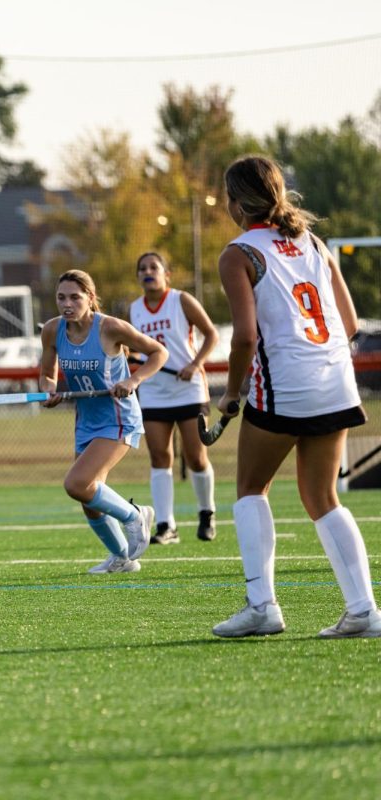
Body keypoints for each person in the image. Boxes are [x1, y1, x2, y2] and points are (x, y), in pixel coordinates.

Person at [211, 154, 379, 638]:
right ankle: (363, 610)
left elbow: (244, 338)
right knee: (323, 497)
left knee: (250, 489)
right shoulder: (313, 241)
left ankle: (262, 606)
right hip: (335, 380)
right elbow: (349, 325)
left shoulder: (239, 253)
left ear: (238, 202)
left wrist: (233, 393)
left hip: (284, 382)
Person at [40, 269, 167, 574]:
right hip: (86, 421)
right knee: (88, 498)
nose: (67, 304)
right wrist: (50, 391)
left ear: (90, 298)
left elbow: (158, 353)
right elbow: (47, 375)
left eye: (75, 297)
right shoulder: (52, 330)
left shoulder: (110, 328)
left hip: (118, 418)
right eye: (61, 297)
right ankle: (122, 557)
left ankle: (134, 515)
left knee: (76, 483)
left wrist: (134, 381)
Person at [128, 252, 220, 545]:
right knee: (159, 456)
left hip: (189, 388)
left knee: (195, 457)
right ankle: (166, 525)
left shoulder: (181, 300)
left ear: (166, 274)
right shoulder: (135, 309)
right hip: (154, 391)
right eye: (142, 268)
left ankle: (207, 513)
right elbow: (136, 349)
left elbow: (211, 334)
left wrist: (195, 364)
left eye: (153, 267)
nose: (147, 272)